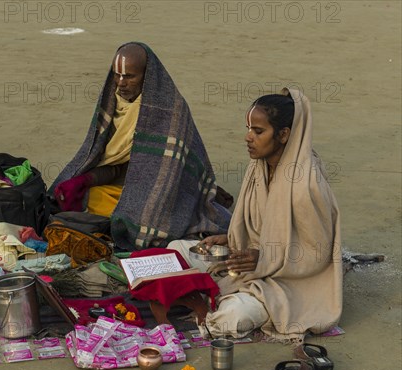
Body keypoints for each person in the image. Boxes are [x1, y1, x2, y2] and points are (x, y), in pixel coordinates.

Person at [191, 88, 342, 343]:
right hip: (252, 263)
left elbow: (317, 254)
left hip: (290, 281)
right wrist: (228, 239)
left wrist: (264, 259)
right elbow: (257, 225)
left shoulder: (306, 183)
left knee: (232, 317)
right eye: (248, 128)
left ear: (284, 135)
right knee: (182, 250)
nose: (248, 137)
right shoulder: (257, 166)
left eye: (258, 131)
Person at [50, 42, 232, 250]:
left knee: (148, 225)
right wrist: (85, 180)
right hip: (129, 186)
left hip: (170, 192)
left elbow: (167, 178)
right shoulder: (113, 104)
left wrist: (141, 208)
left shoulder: (171, 112)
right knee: (82, 196)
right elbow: (115, 164)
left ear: (148, 77)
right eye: (117, 75)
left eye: (129, 76)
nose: (120, 82)